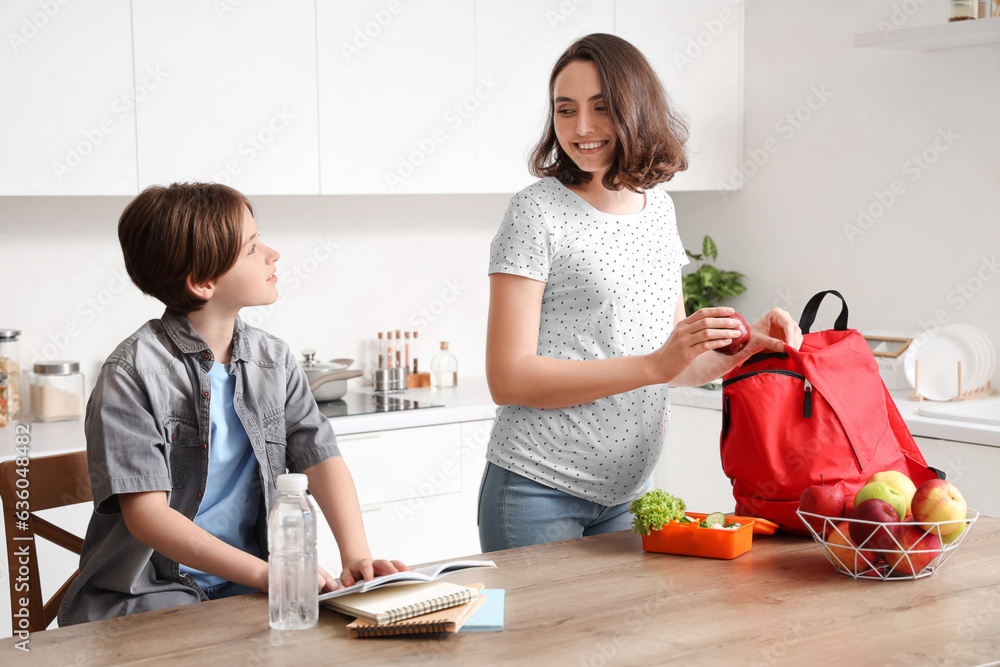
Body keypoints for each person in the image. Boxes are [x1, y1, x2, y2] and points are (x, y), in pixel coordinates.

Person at [480, 34, 803, 551]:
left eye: (601, 108)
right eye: (566, 110)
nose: (581, 128)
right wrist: (655, 365)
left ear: (635, 110)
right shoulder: (535, 212)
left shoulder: (659, 209)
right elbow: (508, 377)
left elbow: (677, 364)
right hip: (536, 491)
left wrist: (744, 344)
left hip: (629, 496)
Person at [60, 183, 406, 625]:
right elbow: (147, 516)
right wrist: (269, 574)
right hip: (150, 598)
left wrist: (357, 556)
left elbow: (320, 457)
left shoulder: (274, 359)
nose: (272, 254)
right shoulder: (130, 373)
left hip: (248, 590)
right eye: (252, 248)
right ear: (203, 282)